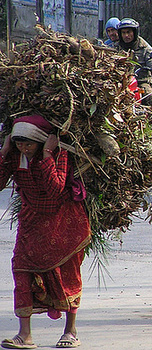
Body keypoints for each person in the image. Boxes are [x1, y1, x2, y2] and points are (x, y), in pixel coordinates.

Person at [0, 115, 91, 349]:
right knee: (21, 270)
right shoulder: (14, 155)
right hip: (31, 222)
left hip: (65, 223)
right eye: (20, 143)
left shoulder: (59, 153)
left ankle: (70, 332)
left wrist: (47, 156)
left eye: (29, 144)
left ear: (42, 141)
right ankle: (24, 335)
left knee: (67, 276)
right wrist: (3, 152)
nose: (24, 148)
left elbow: (54, 189)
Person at [116, 18, 152, 106]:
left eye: (129, 32)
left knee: (150, 96)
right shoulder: (116, 47)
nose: (126, 35)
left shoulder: (143, 46)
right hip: (120, 82)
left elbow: (151, 57)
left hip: (141, 81)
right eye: (123, 33)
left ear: (135, 32)